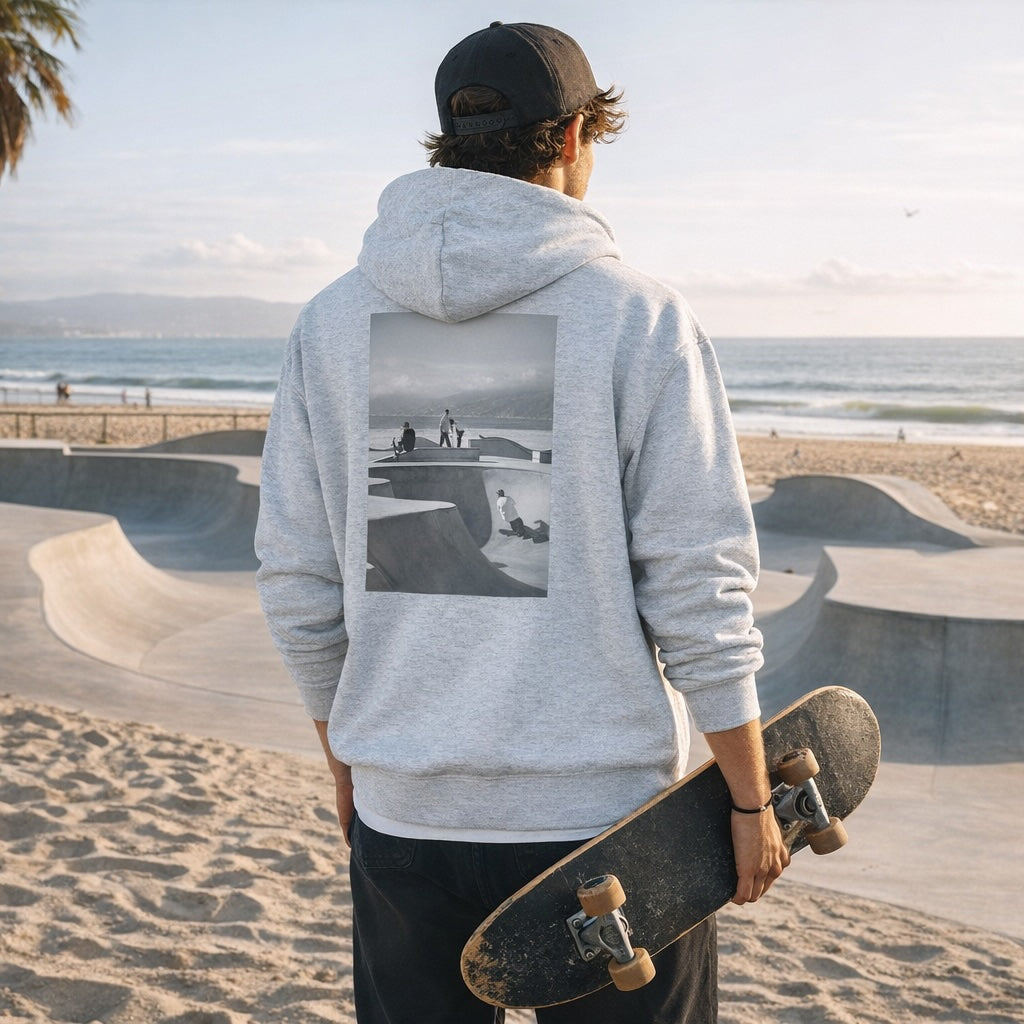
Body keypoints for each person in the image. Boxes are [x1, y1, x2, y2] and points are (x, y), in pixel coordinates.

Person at [255, 20, 787, 1023]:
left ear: (444, 143)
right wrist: (751, 800)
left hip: (404, 816)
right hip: (607, 834)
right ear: (577, 135)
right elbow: (698, 581)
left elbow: (295, 578)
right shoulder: (638, 318)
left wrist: (352, 767)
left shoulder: (328, 323)